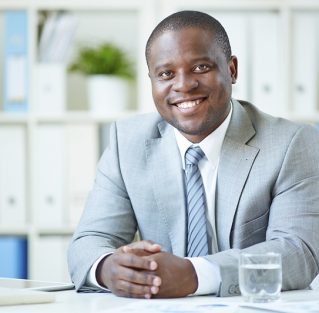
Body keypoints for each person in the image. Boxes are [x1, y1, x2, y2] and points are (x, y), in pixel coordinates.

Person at [68, 10, 319, 299]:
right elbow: (87, 242)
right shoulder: (127, 143)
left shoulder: (293, 143)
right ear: (152, 81)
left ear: (232, 70)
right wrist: (110, 269)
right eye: (166, 74)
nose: (184, 85)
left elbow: (298, 251)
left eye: (200, 68)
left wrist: (195, 274)